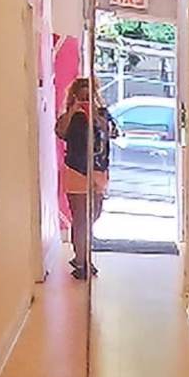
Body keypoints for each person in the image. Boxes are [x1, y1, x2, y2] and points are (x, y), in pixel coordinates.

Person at [58, 76, 114, 277]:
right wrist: (73, 110)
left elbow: (113, 133)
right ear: (74, 96)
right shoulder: (70, 116)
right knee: (81, 218)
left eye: (88, 95)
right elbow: (61, 132)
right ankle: (82, 261)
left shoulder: (102, 113)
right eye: (81, 96)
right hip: (76, 169)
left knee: (94, 214)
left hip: (98, 170)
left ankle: (81, 257)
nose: (85, 99)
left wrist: (95, 115)